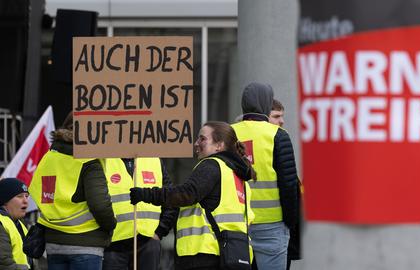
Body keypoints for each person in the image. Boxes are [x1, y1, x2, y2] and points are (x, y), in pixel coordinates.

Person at [130, 121, 256, 270]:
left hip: (204, 254)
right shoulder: (238, 177)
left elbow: (185, 194)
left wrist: (145, 194)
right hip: (233, 255)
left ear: (219, 145)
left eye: (202, 139)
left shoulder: (212, 165)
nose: (196, 144)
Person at [30, 112, 117, 270]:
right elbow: (99, 205)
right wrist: (111, 225)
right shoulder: (90, 161)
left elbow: (46, 197)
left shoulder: (49, 157)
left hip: (53, 244)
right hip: (86, 244)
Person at [231, 82, 299, 270]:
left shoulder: (228, 133)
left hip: (235, 223)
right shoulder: (278, 135)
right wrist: (290, 221)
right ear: (267, 103)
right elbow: (289, 184)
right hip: (272, 224)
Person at [101, 157, 178, 270]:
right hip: (112, 245)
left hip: (147, 243)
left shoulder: (154, 161)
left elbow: (171, 199)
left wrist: (160, 231)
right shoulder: (103, 160)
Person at [268, 99, 302, 270]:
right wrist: (290, 222)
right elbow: (288, 188)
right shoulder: (277, 140)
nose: (281, 121)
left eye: (282, 116)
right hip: (274, 228)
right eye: (276, 116)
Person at [0, 178, 31, 270]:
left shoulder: (19, 223)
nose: (25, 201)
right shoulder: (2, 223)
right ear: (5, 200)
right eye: (20, 196)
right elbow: (4, 264)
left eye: (26, 196)